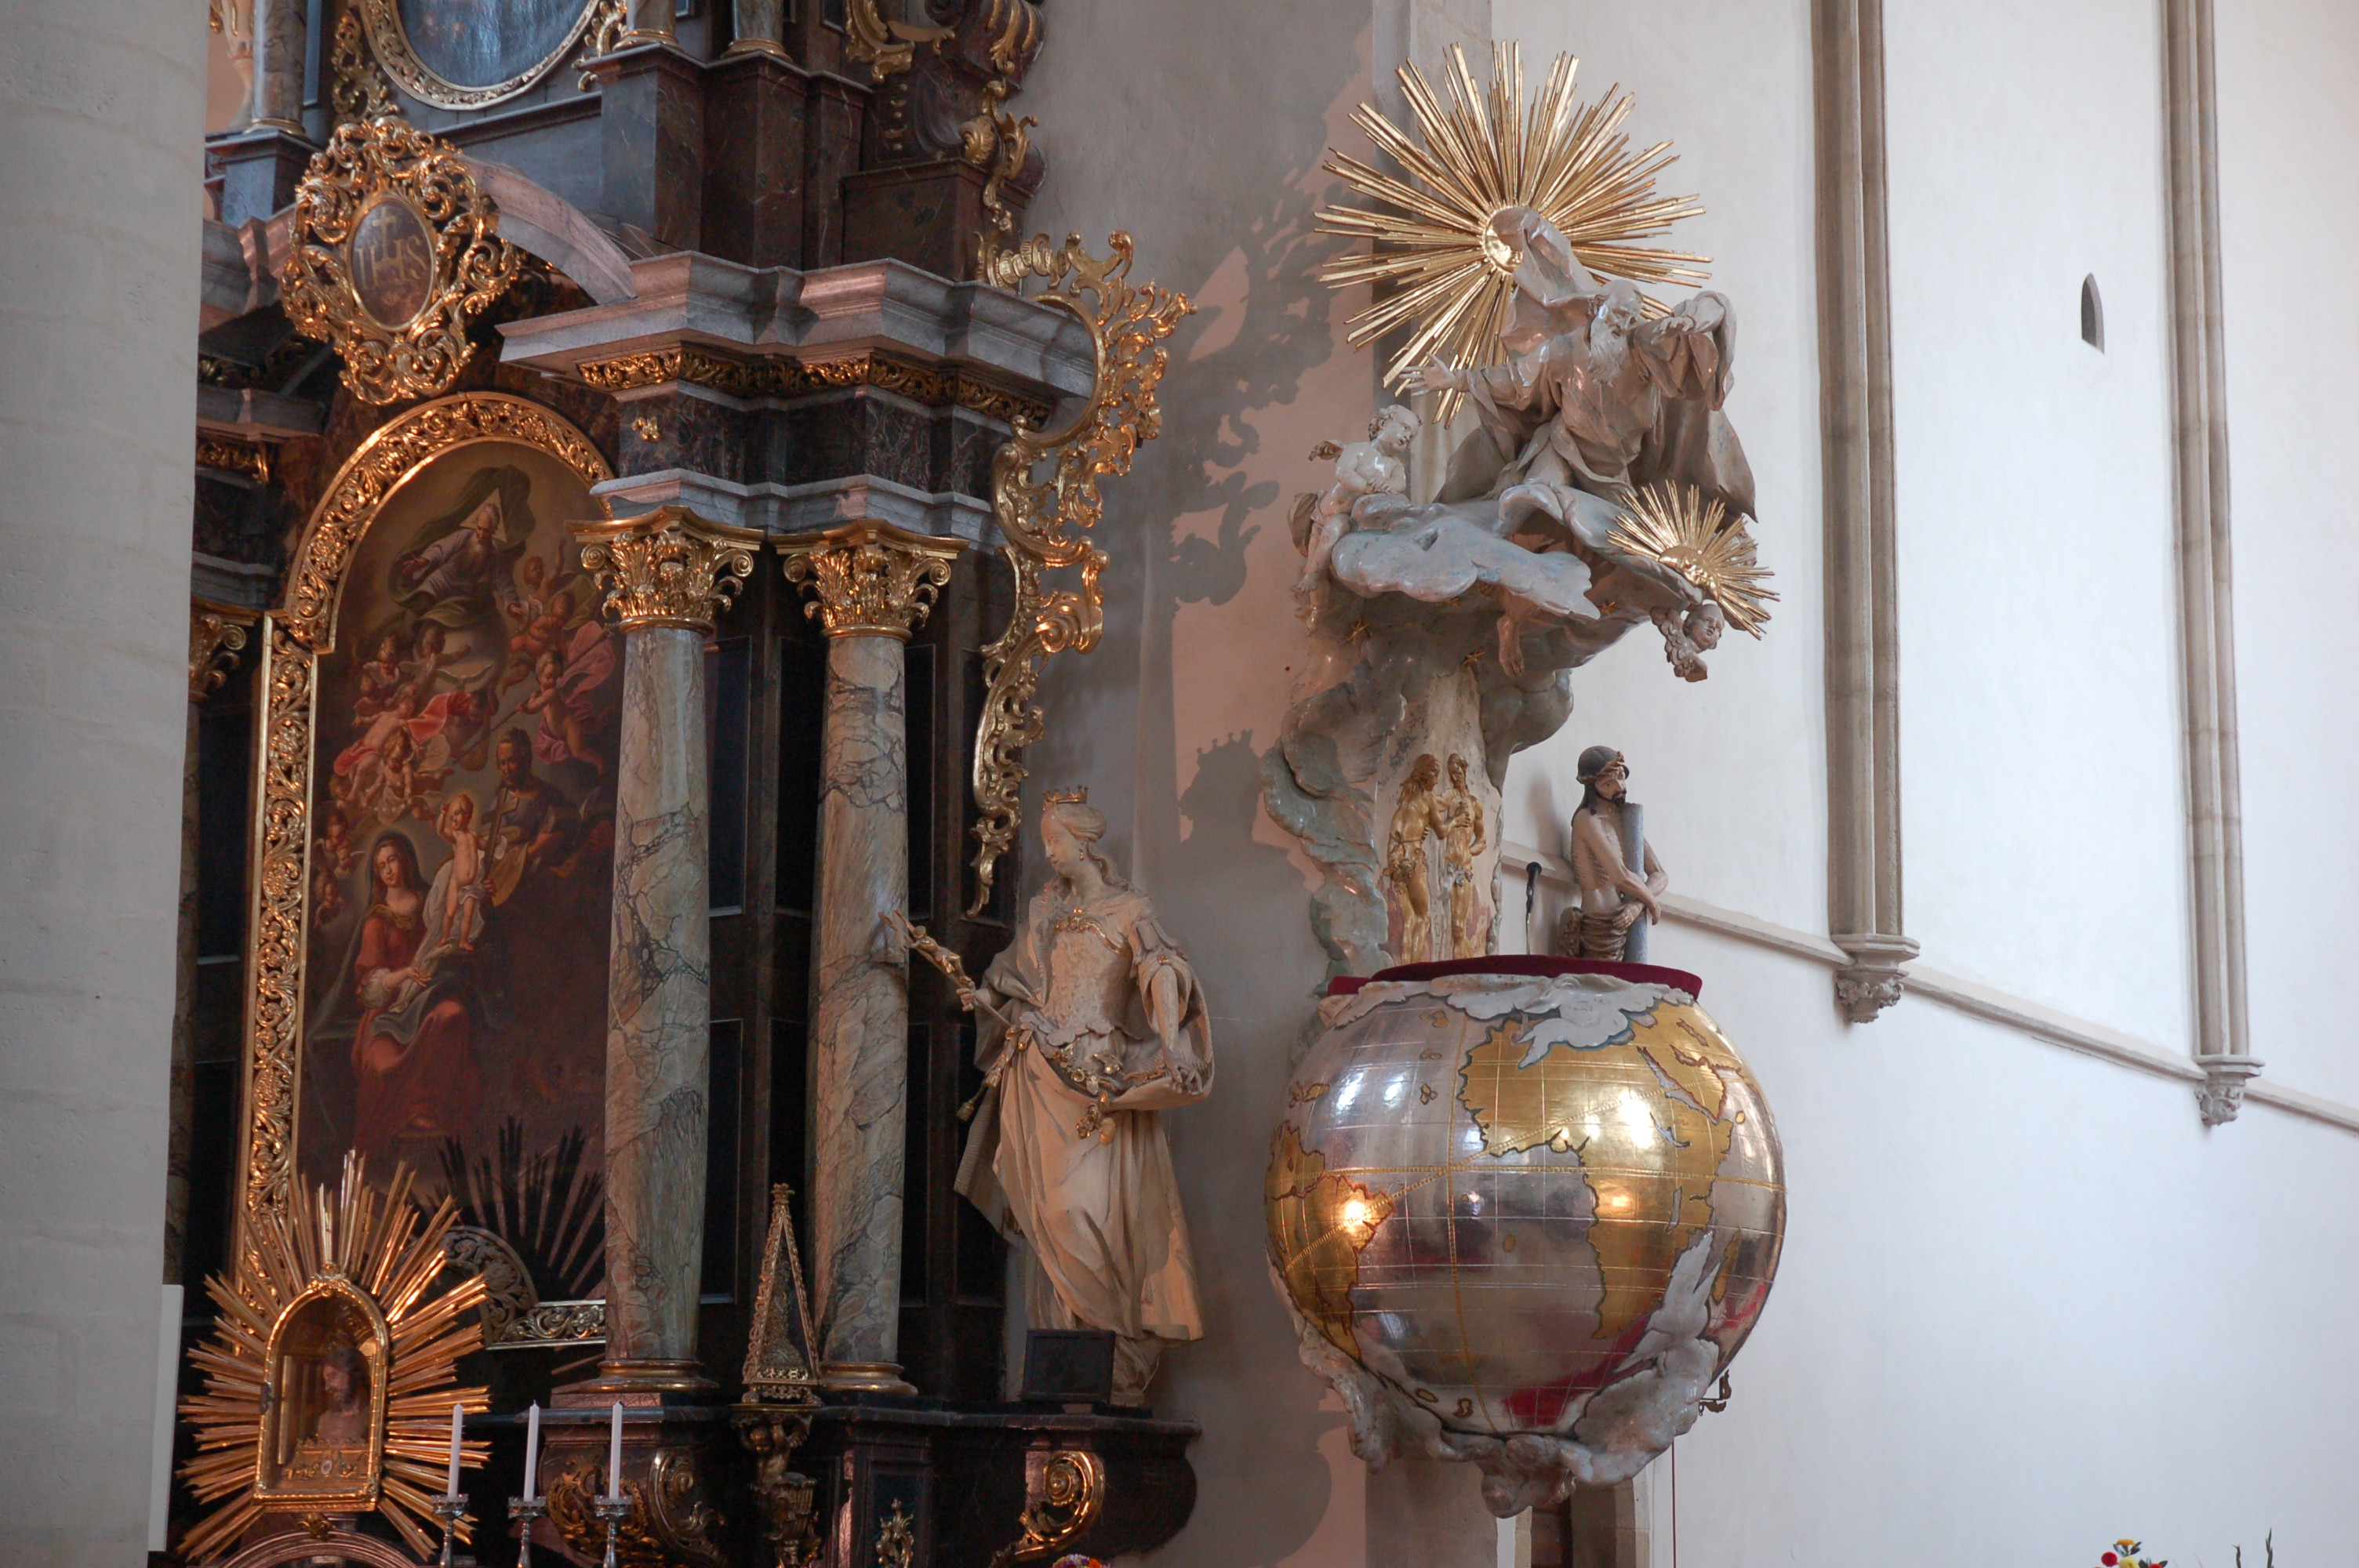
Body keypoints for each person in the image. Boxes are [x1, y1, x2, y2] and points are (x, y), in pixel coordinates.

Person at [951, 791, 1212, 1406]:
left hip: (1098, 1078)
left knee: (1085, 1212)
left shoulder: (1129, 909)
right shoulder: (1046, 910)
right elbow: (1014, 978)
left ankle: (1113, 1359)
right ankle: (1065, 1362)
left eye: (1058, 840)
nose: (1050, 851)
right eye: (1046, 841)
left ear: (1085, 844)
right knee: (1046, 1215)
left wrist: (1171, 1043)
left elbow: (1161, 970)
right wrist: (989, 1000)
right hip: (1039, 1074)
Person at [347, 833, 478, 1154]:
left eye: (392, 860)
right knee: (382, 1063)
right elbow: (369, 988)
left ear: (405, 859)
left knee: (453, 1015)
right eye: (381, 866)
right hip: (388, 1012)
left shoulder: (432, 903)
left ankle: (427, 1108)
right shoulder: (377, 922)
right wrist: (403, 974)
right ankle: (408, 1114)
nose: (388, 870)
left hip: (428, 997)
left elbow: (461, 920)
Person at [1292, 405, 1420, 613]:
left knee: (1332, 534)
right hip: (1320, 515)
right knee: (1314, 565)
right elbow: (1344, 473)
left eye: (1412, 436)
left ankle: (1314, 588)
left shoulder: (1394, 466)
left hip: (1346, 519)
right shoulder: (1358, 450)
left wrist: (1387, 485)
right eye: (1405, 428)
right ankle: (1315, 608)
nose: (1407, 437)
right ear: (1383, 423)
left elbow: (1400, 483)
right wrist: (1366, 487)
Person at [1561, 746, 1667, 961]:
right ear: (1593, 787)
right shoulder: (1587, 820)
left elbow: (1660, 874)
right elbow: (1620, 876)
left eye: (1620, 777)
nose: (1619, 787)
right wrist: (1652, 902)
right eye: (1608, 783)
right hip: (1601, 926)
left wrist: (1637, 905)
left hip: (1628, 923)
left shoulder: (1625, 821)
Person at [1383, 754, 1448, 963]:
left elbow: (1400, 831)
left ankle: (1402, 966)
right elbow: (1442, 831)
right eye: (1435, 775)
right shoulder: (1427, 800)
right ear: (1426, 775)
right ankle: (1413, 969)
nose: (1437, 781)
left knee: (1408, 919)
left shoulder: (1405, 797)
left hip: (1396, 858)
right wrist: (1456, 820)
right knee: (1423, 916)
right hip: (1413, 857)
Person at [1439, 752, 1488, 958]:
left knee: (1459, 927)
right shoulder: (1448, 798)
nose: (1455, 776)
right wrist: (1454, 820)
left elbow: (1482, 839)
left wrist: (1469, 852)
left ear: (1464, 771)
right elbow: (1436, 821)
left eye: (1458, 771)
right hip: (1445, 865)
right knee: (1442, 923)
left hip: (1463, 868)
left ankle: (1461, 966)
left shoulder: (1474, 804)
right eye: (1451, 773)